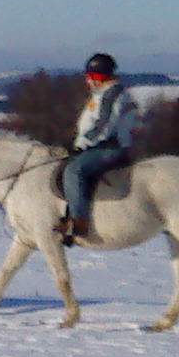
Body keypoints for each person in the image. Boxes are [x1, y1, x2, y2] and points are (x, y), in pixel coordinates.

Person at [61, 52, 137, 244]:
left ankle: (79, 222)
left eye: (92, 76)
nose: (88, 80)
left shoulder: (113, 94)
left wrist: (82, 145)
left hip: (110, 147)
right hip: (98, 145)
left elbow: (104, 126)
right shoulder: (102, 93)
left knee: (74, 170)